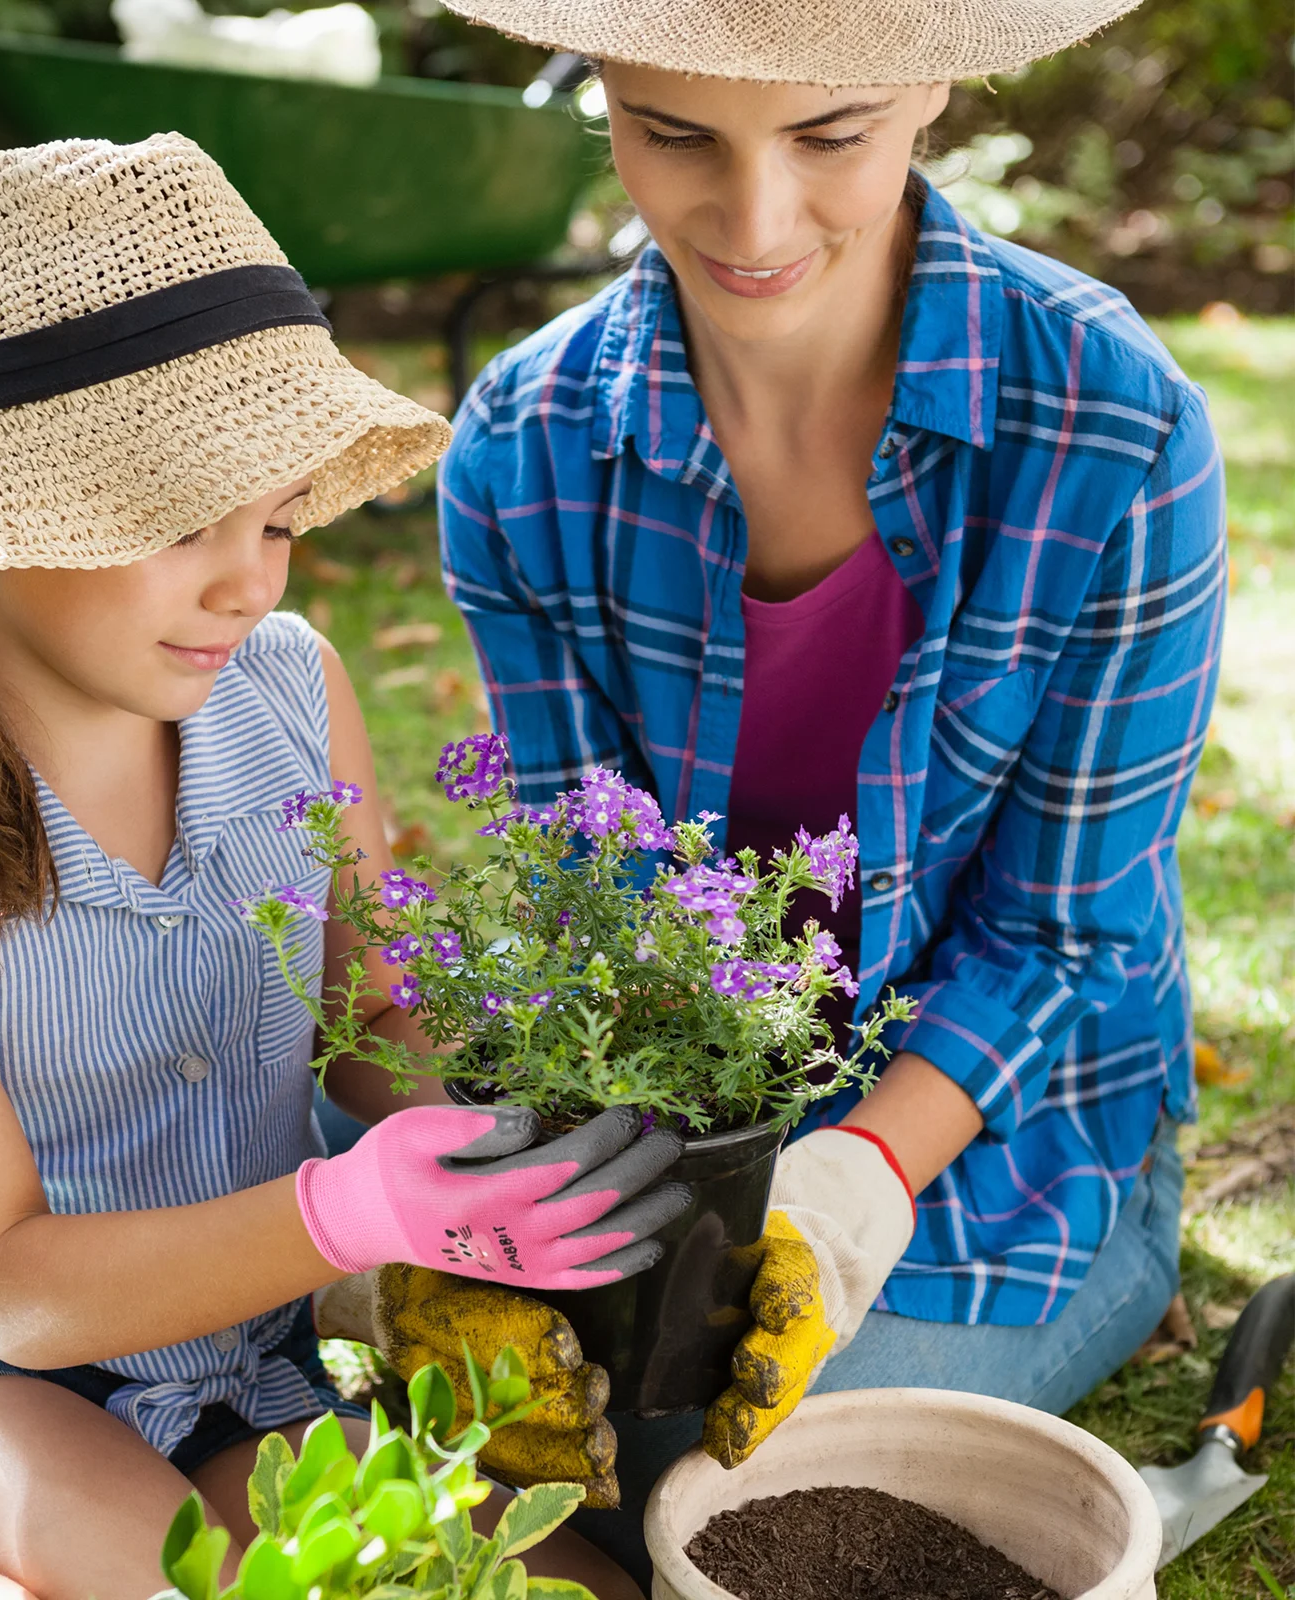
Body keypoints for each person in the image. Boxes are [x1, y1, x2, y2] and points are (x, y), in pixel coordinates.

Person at [0, 134, 689, 1600]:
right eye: (182, 523)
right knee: (185, 1586)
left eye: (279, 521)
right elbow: (11, 1283)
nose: (250, 580)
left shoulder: (291, 690)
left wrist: (546, 1167)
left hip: (251, 1343)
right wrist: (348, 1215)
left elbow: (380, 1043)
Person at [428, 0, 1226, 1581]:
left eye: (830, 135)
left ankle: (1115, 1286)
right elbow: (600, 903)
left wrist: (858, 1178)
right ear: (605, 99)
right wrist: (533, 1205)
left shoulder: (1114, 432)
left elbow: (1065, 935)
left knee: (683, 1475)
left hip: (1007, 1145)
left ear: (934, 83)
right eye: (675, 136)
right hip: (698, 1123)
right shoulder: (523, 447)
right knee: (510, 1396)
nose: (755, 218)